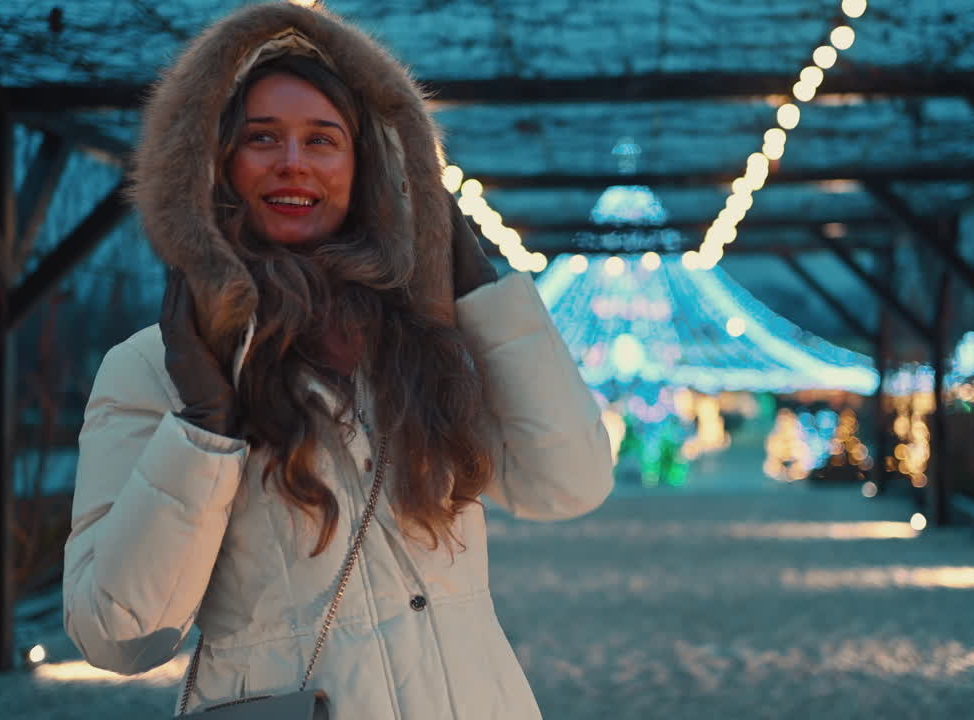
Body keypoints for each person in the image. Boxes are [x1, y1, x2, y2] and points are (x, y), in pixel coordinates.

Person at [61, 3, 614, 718]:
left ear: (367, 167)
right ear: (217, 162)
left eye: (322, 140)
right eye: (262, 138)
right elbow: (116, 637)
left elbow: (570, 485)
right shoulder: (156, 367)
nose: (293, 163)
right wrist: (203, 430)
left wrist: (482, 295)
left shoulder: (421, 341)